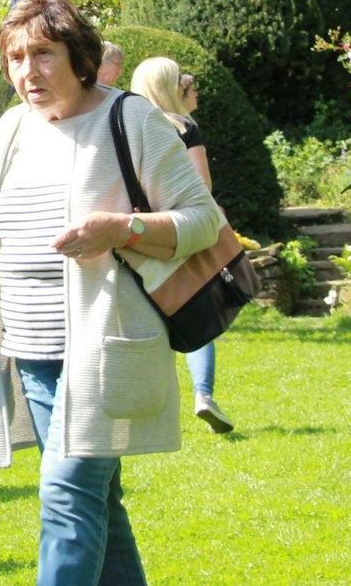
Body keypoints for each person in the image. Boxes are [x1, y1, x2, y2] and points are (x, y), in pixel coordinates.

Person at [0, 0, 222, 585]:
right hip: (32, 352)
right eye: (15, 57)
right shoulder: (12, 129)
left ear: (79, 58)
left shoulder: (130, 119)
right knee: (97, 505)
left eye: (42, 54)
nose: (27, 72)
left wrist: (122, 228)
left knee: (65, 497)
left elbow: (202, 220)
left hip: (104, 350)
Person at [129, 57, 234, 433]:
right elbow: (201, 185)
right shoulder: (183, 127)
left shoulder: (129, 126)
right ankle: (203, 394)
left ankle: (147, 404)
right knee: (197, 307)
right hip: (181, 228)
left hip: (139, 231)